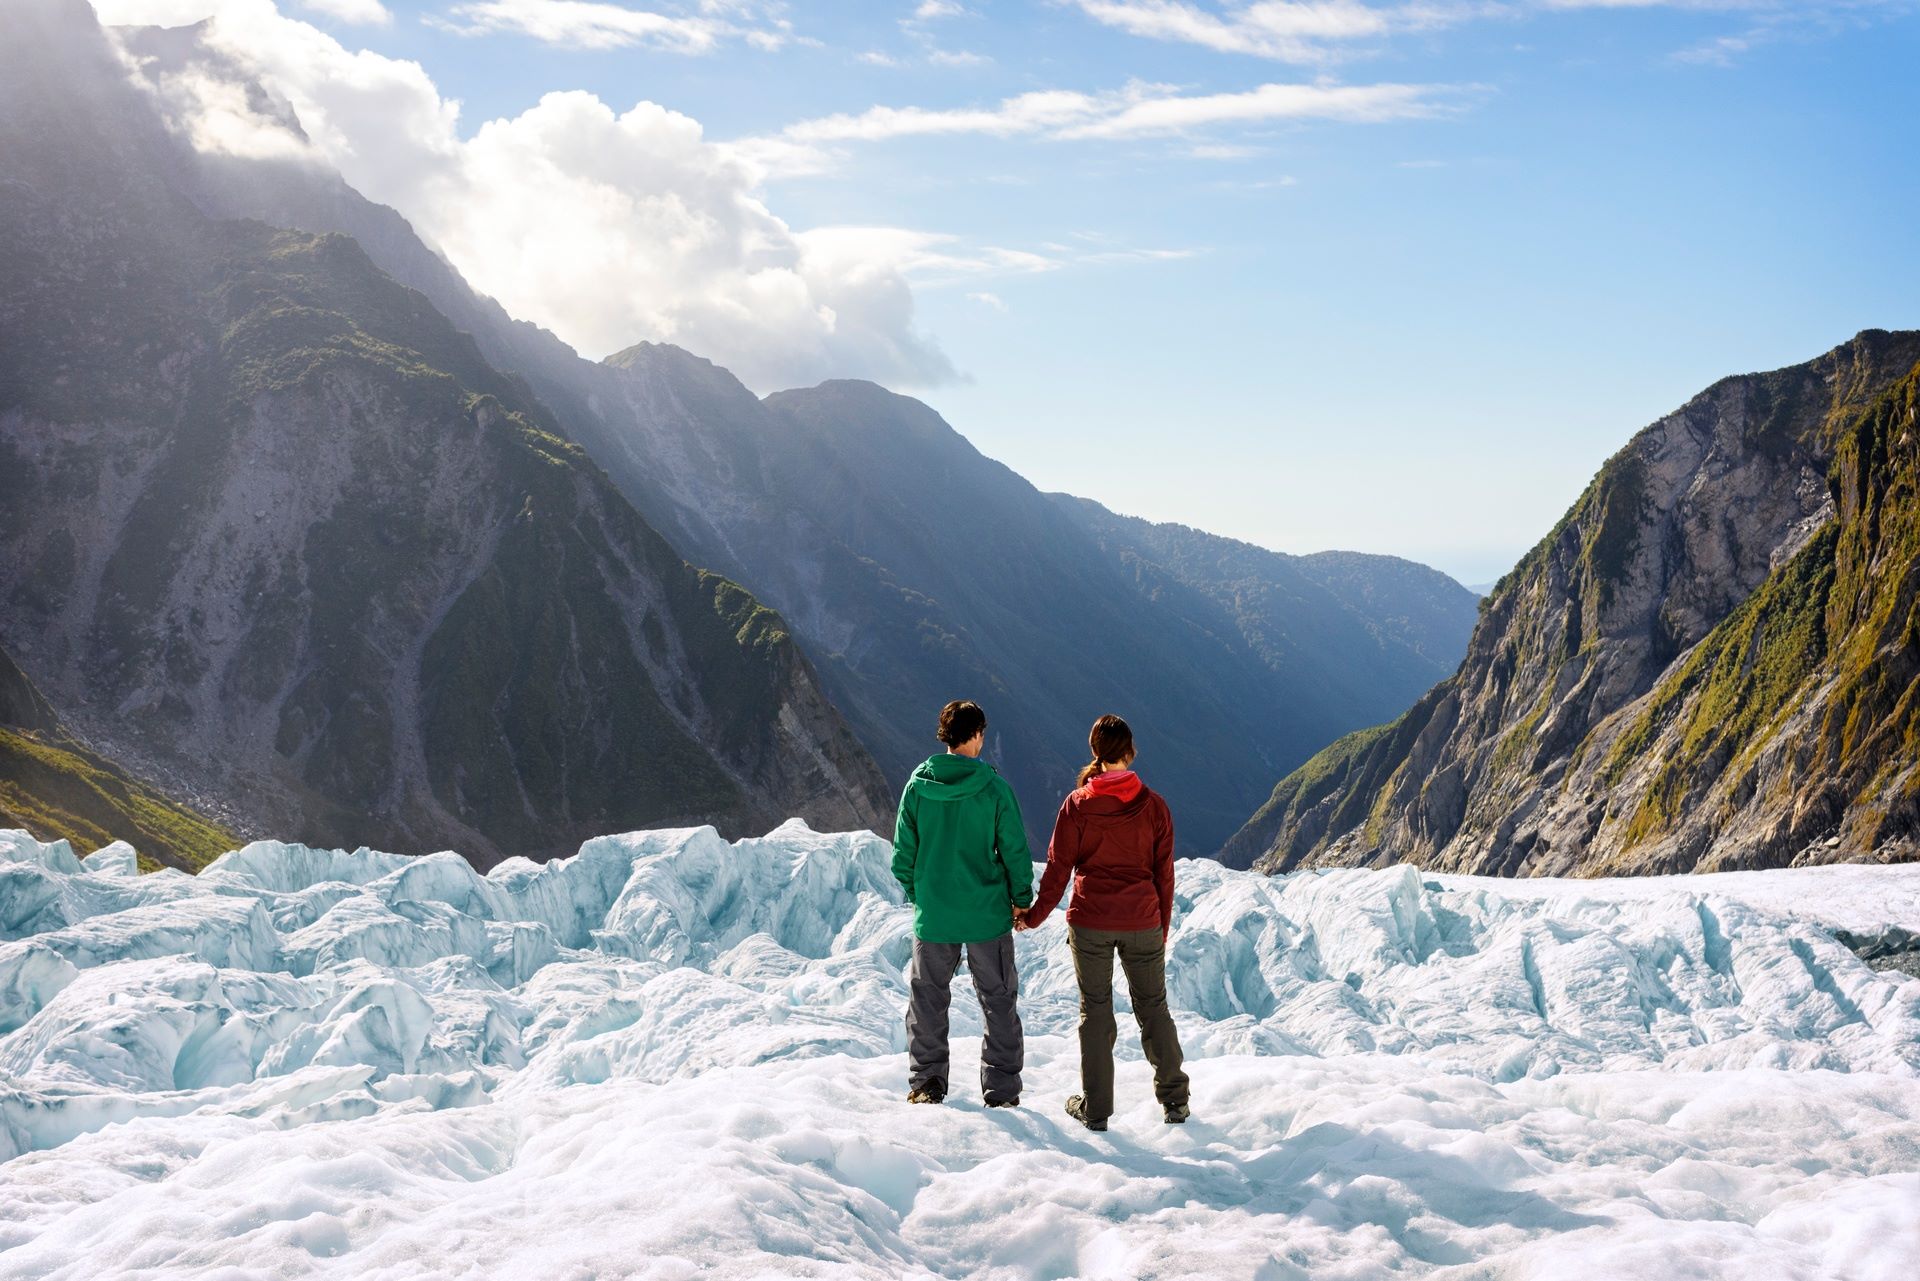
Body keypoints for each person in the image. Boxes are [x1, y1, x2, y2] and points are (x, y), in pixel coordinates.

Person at [1017, 714, 1190, 1131]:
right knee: (1154, 1009)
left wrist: (1033, 917)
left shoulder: (1078, 805)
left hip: (1092, 920)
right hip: (1142, 920)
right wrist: (1159, 928)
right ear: (1130, 753)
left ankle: (1095, 1111)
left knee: (1095, 1013)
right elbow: (1163, 875)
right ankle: (1175, 1103)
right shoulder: (1154, 806)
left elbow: (1059, 869)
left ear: (1095, 753)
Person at [892, 699, 1035, 1107]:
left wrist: (924, 896)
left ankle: (926, 1084)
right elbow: (1014, 853)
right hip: (986, 913)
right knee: (998, 1000)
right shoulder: (993, 788)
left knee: (928, 999)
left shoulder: (918, 786)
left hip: (935, 915)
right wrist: (1020, 901)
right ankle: (1002, 1091)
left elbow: (903, 855)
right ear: (976, 735)